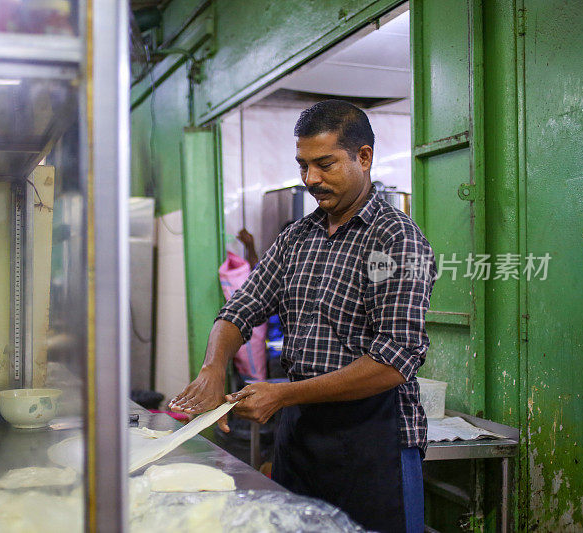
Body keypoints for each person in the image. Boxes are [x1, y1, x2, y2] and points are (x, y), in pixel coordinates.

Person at [170, 100, 437, 533]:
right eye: (303, 166)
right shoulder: (297, 237)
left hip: (374, 443)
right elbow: (240, 308)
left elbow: (393, 361)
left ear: (363, 157)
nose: (311, 179)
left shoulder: (396, 240)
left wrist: (282, 395)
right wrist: (211, 369)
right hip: (301, 438)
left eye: (325, 164)